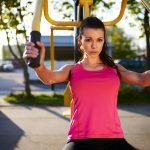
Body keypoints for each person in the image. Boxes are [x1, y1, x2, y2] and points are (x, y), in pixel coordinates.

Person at [23, 17, 150, 150]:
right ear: (80, 41)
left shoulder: (115, 69)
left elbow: (143, 79)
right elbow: (49, 78)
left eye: (99, 40)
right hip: (79, 140)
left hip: (114, 139)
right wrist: (38, 65)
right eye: (88, 39)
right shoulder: (71, 70)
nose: (94, 46)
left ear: (103, 41)